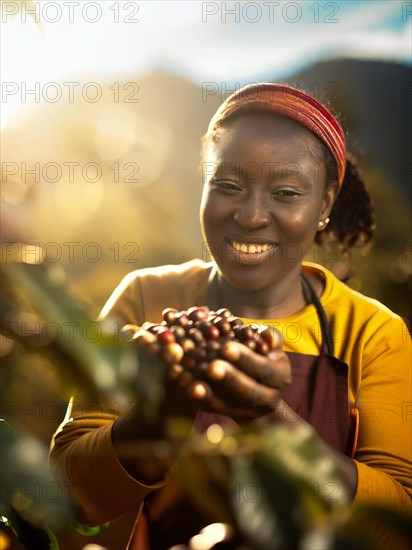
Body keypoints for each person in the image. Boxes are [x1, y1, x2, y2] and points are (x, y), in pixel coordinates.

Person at [50, 83, 411, 549]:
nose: (251, 215)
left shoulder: (372, 333)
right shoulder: (145, 297)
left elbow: (396, 519)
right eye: (227, 185)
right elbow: (72, 495)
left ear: (324, 204)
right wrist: (164, 409)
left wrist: (266, 413)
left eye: (285, 193)